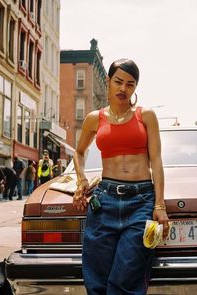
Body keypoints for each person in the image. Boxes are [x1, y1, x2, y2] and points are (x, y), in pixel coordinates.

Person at [73, 58, 169, 295]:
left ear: (135, 87)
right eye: (118, 82)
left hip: (141, 201)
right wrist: (81, 180)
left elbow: (156, 161)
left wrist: (159, 205)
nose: (123, 89)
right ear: (108, 81)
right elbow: (79, 152)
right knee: (97, 278)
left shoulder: (145, 116)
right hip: (104, 201)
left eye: (130, 84)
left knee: (126, 277)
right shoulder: (95, 118)